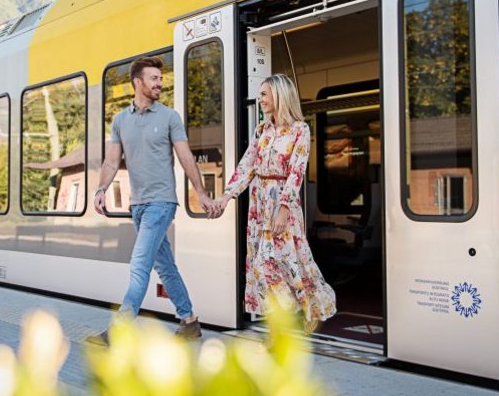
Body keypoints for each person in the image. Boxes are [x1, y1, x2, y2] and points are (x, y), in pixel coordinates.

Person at [88, 55, 220, 345]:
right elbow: (111, 163)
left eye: (161, 78)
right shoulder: (120, 120)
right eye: (154, 78)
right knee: (165, 266)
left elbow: (185, 157)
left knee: (139, 263)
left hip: (161, 203)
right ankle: (189, 322)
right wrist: (100, 190)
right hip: (138, 205)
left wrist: (200, 192)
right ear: (138, 82)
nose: (160, 83)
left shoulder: (169, 117)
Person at [213, 73, 336, 334]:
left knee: (270, 263)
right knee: (284, 263)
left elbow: (296, 172)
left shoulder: (299, 130)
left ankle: (285, 322)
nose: (261, 99)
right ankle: (306, 311)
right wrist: (228, 195)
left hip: (283, 204)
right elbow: (248, 165)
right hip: (259, 204)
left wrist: (283, 209)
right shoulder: (262, 130)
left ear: (280, 96)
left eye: (265, 94)